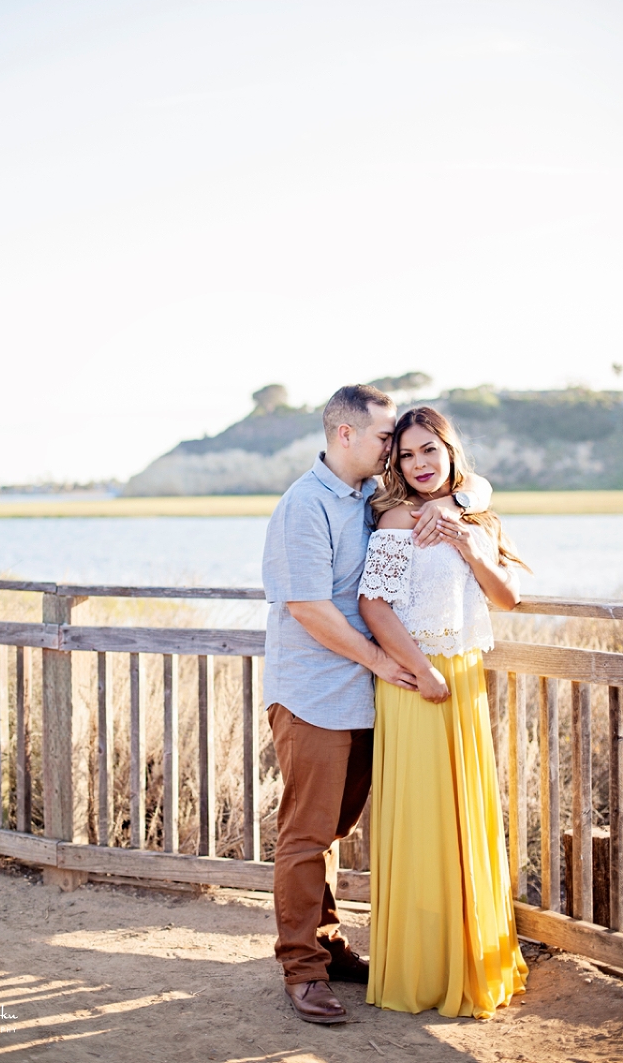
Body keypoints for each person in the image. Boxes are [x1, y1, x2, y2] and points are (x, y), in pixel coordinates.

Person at [262, 385, 493, 1025]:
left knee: (336, 828)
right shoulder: (304, 507)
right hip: (314, 693)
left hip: (369, 697)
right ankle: (301, 970)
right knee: (307, 835)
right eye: (385, 437)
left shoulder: (370, 496)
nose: (393, 448)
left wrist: (468, 501)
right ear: (345, 435)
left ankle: (328, 945)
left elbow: (468, 484)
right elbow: (309, 608)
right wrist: (389, 664)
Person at [358, 405, 529, 1020]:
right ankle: (423, 965)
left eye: (429, 449)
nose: (419, 464)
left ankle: (472, 955)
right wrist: (423, 672)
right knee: (423, 816)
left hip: (465, 678)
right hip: (415, 677)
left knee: (465, 816)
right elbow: (374, 606)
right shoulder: (397, 520)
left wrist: (467, 539)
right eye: (406, 455)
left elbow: (508, 596)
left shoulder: (470, 514)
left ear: (450, 450)